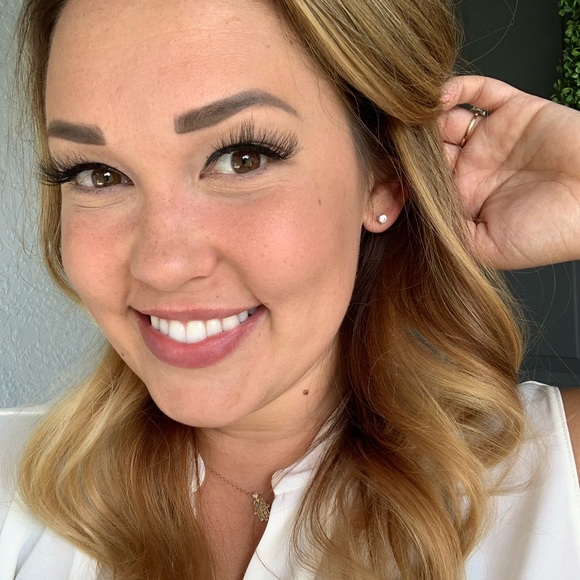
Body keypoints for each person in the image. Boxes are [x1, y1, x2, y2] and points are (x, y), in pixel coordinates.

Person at [1, 0, 580, 578]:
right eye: (97, 174)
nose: (163, 265)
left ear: (383, 176)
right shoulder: (13, 485)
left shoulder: (552, 481)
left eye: (241, 158)